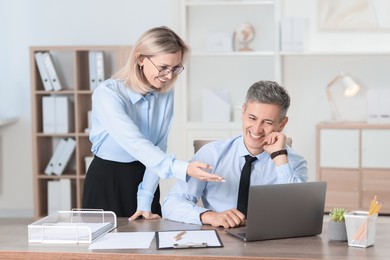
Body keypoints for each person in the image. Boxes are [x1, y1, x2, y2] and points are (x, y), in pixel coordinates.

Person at [82, 26, 224, 220]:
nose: (169, 76)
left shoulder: (164, 93)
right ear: (141, 59)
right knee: (107, 246)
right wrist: (182, 168)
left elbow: (159, 144)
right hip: (107, 179)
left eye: (175, 68)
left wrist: (145, 199)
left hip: (147, 175)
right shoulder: (107, 94)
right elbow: (135, 143)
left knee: (149, 244)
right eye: (163, 67)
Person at [162, 80, 308, 228]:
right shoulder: (212, 154)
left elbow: (298, 214)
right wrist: (211, 216)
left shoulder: (294, 162)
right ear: (243, 112)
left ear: (282, 124)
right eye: (252, 118)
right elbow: (171, 203)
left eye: (268, 122)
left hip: (271, 241)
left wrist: (280, 158)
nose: (257, 129)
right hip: (221, 238)